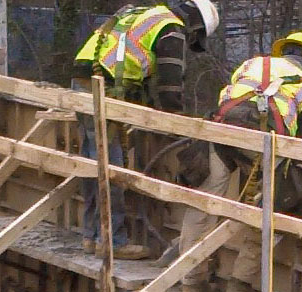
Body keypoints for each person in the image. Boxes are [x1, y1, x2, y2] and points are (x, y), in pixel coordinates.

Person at [177, 31, 302, 292]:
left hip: (222, 129)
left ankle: (192, 284)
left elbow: (236, 99)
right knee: (272, 208)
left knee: (203, 203)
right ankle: (239, 285)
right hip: (264, 139)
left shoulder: (251, 64)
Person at [72, 1, 222, 260]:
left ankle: (91, 236)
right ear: (195, 25)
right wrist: (174, 119)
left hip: (83, 80)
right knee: (111, 169)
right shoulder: (171, 29)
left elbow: (139, 71)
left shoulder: (148, 15)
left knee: (92, 164)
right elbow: (169, 85)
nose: (188, 43)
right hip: (103, 88)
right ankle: (112, 241)